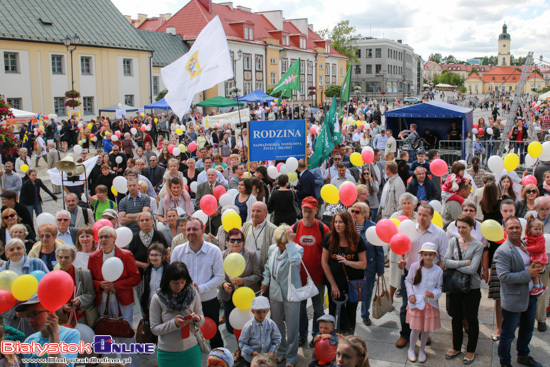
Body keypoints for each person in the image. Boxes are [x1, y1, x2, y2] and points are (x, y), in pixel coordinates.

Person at [396, 204, 447, 349]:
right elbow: (402, 248)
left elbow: (444, 257)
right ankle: (405, 334)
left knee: (425, 306)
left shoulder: (439, 234)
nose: (421, 218)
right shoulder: (409, 229)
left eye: (425, 215)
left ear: (432, 216)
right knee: (407, 305)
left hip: (429, 276)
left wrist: (439, 275)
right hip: (410, 274)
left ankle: (422, 332)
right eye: (419, 214)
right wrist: (402, 262)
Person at [494, 217, 543, 367]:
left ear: (522, 229)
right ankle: (505, 362)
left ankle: (523, 355)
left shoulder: (527, 244)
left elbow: (537, 261)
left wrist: (541, 268)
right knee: (508, 335)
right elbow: (504, 277)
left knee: (527, 330)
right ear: (505, 230)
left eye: (517, 227)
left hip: (531, 296)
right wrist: (529, 274)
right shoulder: (502, 251)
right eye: (511, 228)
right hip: (513, 299)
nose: (515, 230)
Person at [88, 226, 140, 366]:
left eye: (107, 237)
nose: (103, 240)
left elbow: (135, 277)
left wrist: (116, 286)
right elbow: (89, 280)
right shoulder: (94, 257)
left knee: (124, 332)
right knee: (105, 332)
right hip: (102, 301)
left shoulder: (126, 255)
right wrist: (99, 284)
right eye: (101, 237)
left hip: (122, 300)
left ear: (114, 239)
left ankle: (129, 364)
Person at [170, 217, 225, 348]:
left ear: (203, 230)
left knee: (213, 333)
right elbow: (172, 276)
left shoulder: (214, 251)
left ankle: (220, 359)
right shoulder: (178, 251)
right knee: (186, 335)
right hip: (185, 302)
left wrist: (199, 288)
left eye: (195, 229)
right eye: (188, 229)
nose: (190, 232)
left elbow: (219, 277)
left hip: (208, 300)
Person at [443, 215, 484, 364]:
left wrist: (456, 265)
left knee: (471, 319)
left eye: (464, 227)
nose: (461, 230)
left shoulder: (478, 245)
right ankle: (456, 346)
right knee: (456, 317)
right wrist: (463, 263)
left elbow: (473, 269)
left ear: (471, 228)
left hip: (471, 287)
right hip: (455, 286)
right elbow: (445, 261)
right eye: (459, 227)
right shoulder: (453, 241)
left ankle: (471, 350)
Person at [260, 225, 303, 366]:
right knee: (277, 325)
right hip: (275, 293)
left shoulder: (297, 249)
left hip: (291, 294)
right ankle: (281, 351)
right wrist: (266, 281)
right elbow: (267, 267)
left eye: (281, 242)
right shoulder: (273, 249)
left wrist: (290, 244)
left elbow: (295, 262)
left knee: (292, 327)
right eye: (277, 241)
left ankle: (291, 357)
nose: (278, 244)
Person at [149, 261, 205, 367]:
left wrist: (197, 319)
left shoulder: (192, 293)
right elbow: (154, 328)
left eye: (182, 282)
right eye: (176, 283)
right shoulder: (158, 298)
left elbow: (202, 320)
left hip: (191, 349)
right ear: (168, 281)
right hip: (168, 352)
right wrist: (173, 324)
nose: (180, 286)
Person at [322, 211, 367, 335]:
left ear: (347, 224)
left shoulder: (357, 239)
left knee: (351, 313)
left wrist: (348, 262)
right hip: (335, 283)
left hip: (353, 284)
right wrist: (333, 285)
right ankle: (333, 338)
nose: (337, 225)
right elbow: (324, 263)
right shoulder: (329, 238)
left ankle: (349, 337)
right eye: (335, 222)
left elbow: (363, 264)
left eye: (340, 222)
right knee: (334, 312)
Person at [292, 197, 329, 345]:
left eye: (309, 211)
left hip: (317, 278)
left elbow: (329, 253)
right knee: (301, 310)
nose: (306, 214)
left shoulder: (323, 229)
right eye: (304, 211)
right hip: (299, 279)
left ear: (316, 211)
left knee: (318, 310)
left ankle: (316, 335)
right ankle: (302, 335)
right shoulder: (294, 228)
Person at [16, 294, 80, 367]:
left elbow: (58, 365)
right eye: (28, 316)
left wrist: (53, 335)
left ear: (51, 312)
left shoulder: (70, 335)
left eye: (35, 313)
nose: (30, 320)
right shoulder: (29, 341)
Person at [0, 238, 49, 334]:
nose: (16, 251)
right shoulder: (1, 272)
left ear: (24, 250)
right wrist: (15, 313)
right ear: (6, 254)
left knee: (36, 345)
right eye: (11, 249)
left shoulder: (37, 263)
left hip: (36, 316)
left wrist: (29, 311)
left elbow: (47, 286)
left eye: (18, 248)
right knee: (15, 346)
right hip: (11, 319)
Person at [405, 242, 443, 363]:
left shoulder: (438, 270)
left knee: (426, 329)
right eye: (425, 254)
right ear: (421, 254)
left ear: (435, 256)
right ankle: (411, 348)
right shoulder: (415, 266)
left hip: (429, 304)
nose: (427, 257)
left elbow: (439, 287)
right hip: (416, 303)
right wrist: (411, 294)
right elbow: (408, 281)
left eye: (430, 255)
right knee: (416, 329)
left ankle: (422, 349)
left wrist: (434, 294)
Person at [219, 229, 260, 335]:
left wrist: (243, 281)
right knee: (232, 327)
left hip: (245, 297)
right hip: (229, 296)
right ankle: (238, 348)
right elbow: (218, 275)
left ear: (243, 241)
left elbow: (257, 275)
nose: (235, 243)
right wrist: (223, 284)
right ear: (228, 242)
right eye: (232, 240)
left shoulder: (251, 255)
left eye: (239, 240)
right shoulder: (222, 255)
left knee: (247, 327)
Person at [351, 202, 384, 326]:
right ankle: (352, 313)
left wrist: (380, 270)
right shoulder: (350, 226)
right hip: (353, 265)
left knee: (367, 292)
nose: (354, 214)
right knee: (352, 291)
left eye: (357, 212)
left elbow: (379, 251)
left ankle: (365, 314)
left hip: (369, 266)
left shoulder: (373, 228)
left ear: (364, 214)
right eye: (353, 211)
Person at [55, 243, 96, 327]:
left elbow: (91, 294)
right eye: (60, 257)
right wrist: (62, 308)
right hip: (63, 319)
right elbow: (51, 299)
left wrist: (80, 300)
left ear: (73, 259)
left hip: (81, 317)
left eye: (66, 257)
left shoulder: (84, 273)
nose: (63, 260)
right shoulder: (53, 276)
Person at [239, 296, 282, 364]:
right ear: (253, 311)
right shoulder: (248, 326)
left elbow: (277, 339)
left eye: (264, 312)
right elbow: (242, 343)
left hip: (266, 358)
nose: (262, 315)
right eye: (258, 312)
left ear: (268, 311)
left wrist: (272, 350)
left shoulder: (271, 324)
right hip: (251, 359)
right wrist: (251, 352)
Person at [139, 243, 168, 343]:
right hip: (150, 305)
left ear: (163, 256)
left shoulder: (168, 269)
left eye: (156, 255)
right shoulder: (147, 270)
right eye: (151, 255)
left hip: (165, 305)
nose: (153, 258)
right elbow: (144, 289)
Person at [242, 202, 277, 270]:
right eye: (253, 211)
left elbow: (274, 254)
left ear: (266, 213)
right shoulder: (246, 226)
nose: (255, 214)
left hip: (263, 271)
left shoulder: (273, 230)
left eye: (258, 211)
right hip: (245, 269)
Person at [196, 169, 226, 235]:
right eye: (208, 175)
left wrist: (218, 210)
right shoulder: (200, 187)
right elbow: (198, 202)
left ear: (217, 176)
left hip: (218, 219)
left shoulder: (223, 187)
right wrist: (208, 211)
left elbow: (224, 201)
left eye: (212, 175)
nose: (210, 176)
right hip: (205, 219)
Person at [524, 215, 548, 296]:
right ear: (530, 229)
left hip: (539, 256)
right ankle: (541, 286)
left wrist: (527, 248)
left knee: (534, 271)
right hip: (534, 255)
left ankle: (537, 286)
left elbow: (538, 248)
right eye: (536, 229)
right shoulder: (529, 236)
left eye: (540, 229)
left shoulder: (541, 238)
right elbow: (527, 240)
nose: (538, 231)